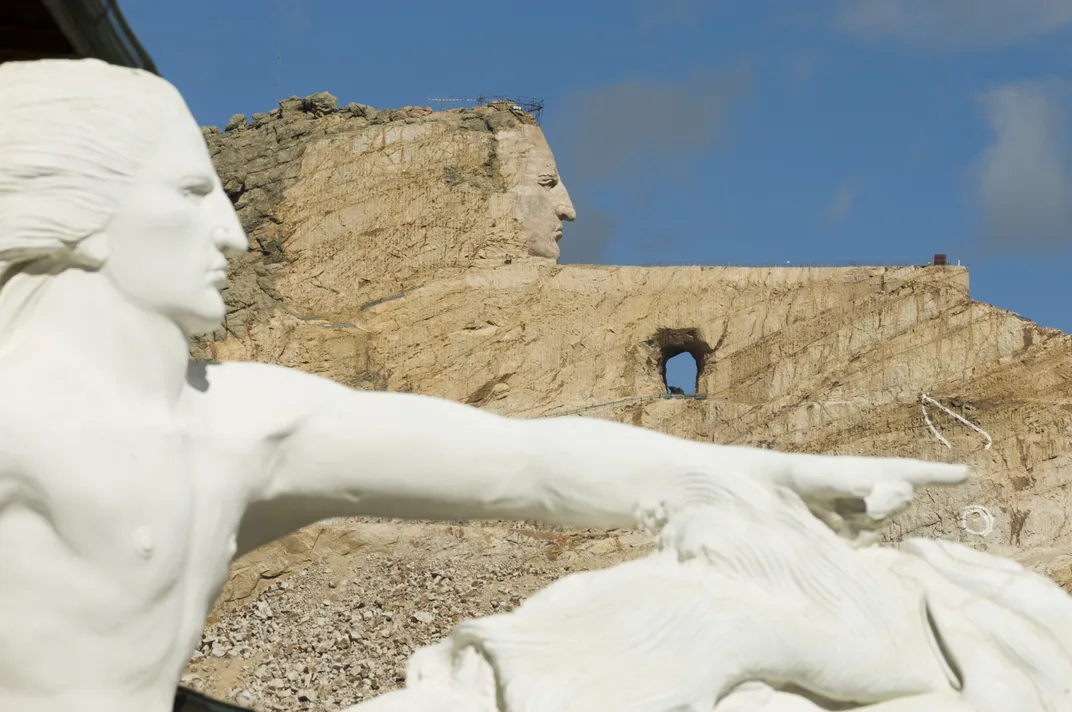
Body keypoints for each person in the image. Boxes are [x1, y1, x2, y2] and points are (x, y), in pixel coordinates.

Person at [0, 59, 968, 712]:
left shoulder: (240, 423)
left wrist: (777, 474)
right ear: (82, 210)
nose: (235, 232)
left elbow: (526, 463)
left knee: (705, 662)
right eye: (189, 193)